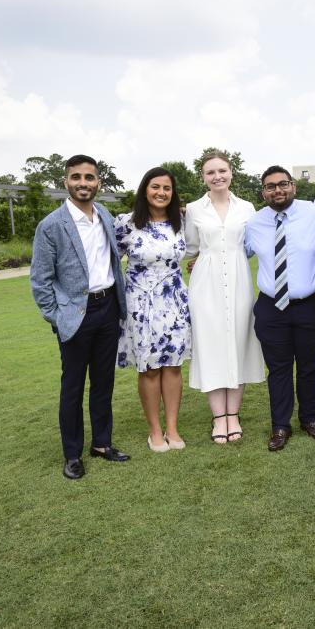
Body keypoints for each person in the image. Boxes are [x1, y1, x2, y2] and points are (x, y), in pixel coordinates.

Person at [30, 154, 130, 479]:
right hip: (75, 315)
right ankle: (72, 454)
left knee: (104, 382)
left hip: (108, 308)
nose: (83, 183)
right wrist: (57, 318)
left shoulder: (104, 214)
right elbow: (40, 280)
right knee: (72, 387)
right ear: (66, 182)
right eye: (77, 177)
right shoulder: (51, 225)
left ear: (98, 182)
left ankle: (101, 444)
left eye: (89, 177)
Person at [245, 166, 315, 451]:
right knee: (279, 368)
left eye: (283, 184)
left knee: (309, 367)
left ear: (293, 186)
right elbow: (233, 252)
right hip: (271, 307)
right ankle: (280, 425)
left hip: (310, 306)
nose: (277, 190)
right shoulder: (254, 223)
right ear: (264, 192)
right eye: (270, 187)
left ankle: (309, 418)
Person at [183, 151, 265, 444]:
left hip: (240, 280)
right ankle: (219, 417)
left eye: (222, 170)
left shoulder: (247, 207)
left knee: (238, 343)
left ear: (232, 173)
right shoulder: (193, 209)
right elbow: (190, 247)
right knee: (211, 345)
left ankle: (234, 415)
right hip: (206, 283)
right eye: (210, 172)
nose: (217, 176)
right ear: (203, 176)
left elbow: (254, 245)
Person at [114, 167, 191, 453]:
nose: (161, 192)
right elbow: (109, 260)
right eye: (155, 186)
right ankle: (155, 431)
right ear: (145, 189)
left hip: (174, 302)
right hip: (140, 304)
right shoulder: (126, 223)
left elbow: (198, 249)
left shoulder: (181, 221)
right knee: (149, 368)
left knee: (172, 365)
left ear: (173, 193)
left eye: (167, 188)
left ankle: (172, 427)